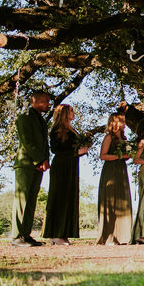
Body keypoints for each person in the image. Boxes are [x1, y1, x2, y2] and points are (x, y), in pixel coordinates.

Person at [43, 104, 90, 245]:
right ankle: (55, 234)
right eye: (71, 110)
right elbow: (57, 150)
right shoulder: (57, 130)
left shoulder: (72, 130)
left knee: (69, 197)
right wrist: (76, 152)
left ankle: (63, 233)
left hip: (72, 166)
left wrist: (82, 149)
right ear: (63, 113)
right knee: (59, 198)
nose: (74, 112)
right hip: (61, 166)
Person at [12, 90, 51, 247]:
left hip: (38, 166)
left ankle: (25, 235)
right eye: (45, 101)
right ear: (34, 101)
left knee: (31, 201)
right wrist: (39, 159)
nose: (48, 105)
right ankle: (16, 236)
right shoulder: (25, 118)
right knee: (22, 200)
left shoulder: (41, 120)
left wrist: (45, 160)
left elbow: (43, 143)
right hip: (26, 164)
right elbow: (27, 142)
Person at [96, 113, 133, 245]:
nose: (124, 124)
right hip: (111, 170)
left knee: (122, 201)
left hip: (121, 171)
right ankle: (108, 236)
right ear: (115, 122)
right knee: (111, 200)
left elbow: (128, 155)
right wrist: (119, 156)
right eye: (122, 121)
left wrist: (129, 155)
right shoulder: (108, 137)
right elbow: (103, 156)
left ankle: (123, 236)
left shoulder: (125, 138)